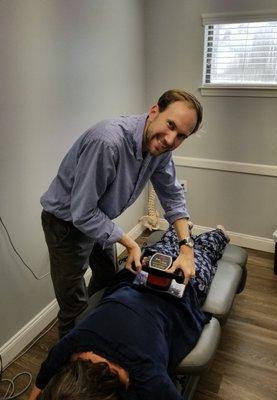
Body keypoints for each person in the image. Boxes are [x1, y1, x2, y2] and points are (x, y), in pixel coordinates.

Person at [40, 89, 203, 337]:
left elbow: (171, 195)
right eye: (170, 125)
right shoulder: (108, 142)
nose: (171, 139)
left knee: (107, 277)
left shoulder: (161, 149)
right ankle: (68, 363)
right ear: (154, 111)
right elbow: (82, 213)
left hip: (99, 217)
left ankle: (95, 329)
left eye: (181, 135)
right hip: (66, 224)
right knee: (73, 306)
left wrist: (186, 248)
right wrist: (130, 243)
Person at [28, 226, 229, 400]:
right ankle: (186, 230)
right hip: (142, 274)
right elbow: (43, 379)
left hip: (181, 291)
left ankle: (218, 232)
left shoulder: (148, 377)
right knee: (167, 244)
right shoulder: (72, 344)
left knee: (205, 252)